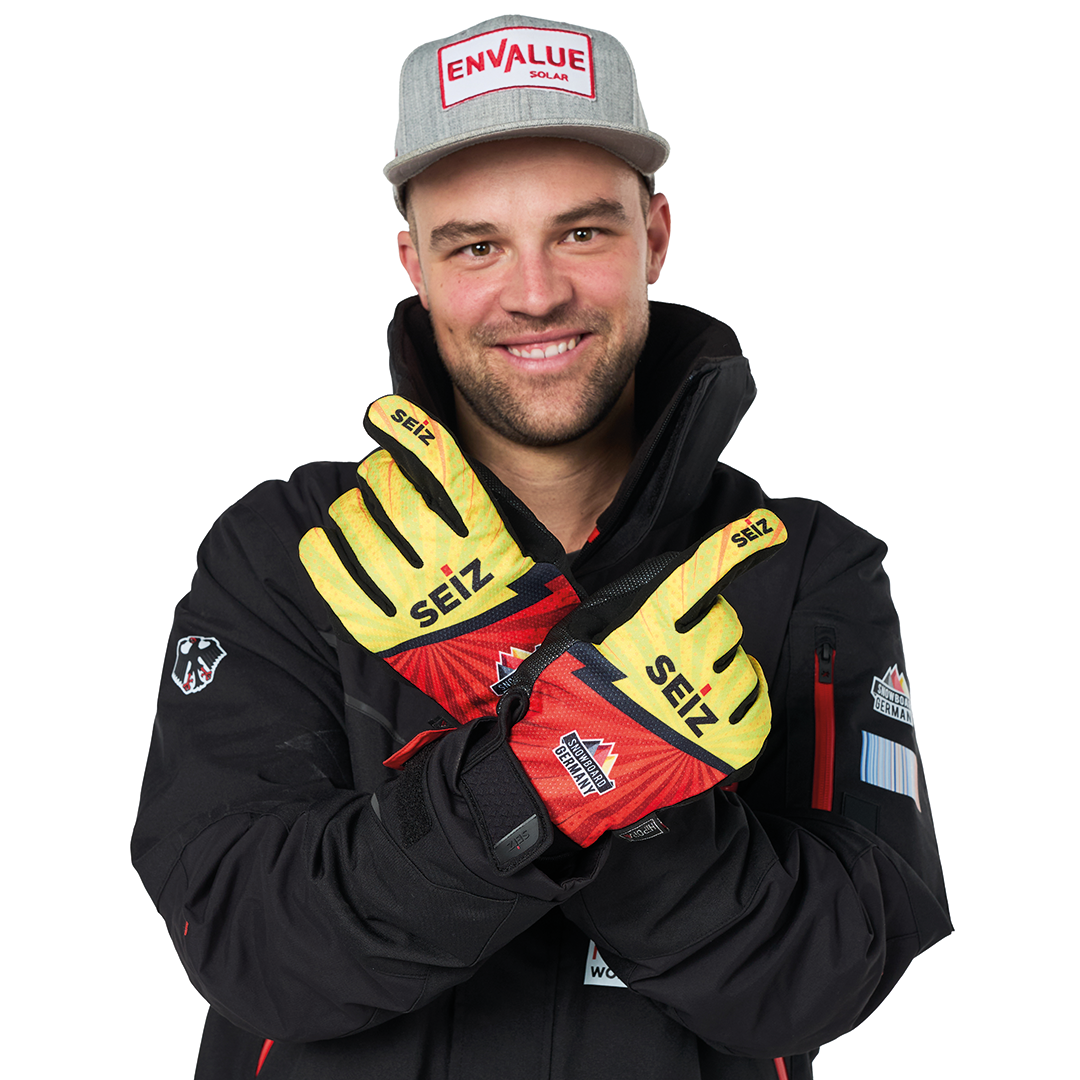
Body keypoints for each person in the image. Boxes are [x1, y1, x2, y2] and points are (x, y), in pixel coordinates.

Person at [132, 14, 951, 1080]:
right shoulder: (291, 551)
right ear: (415, 265)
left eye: (582, 233)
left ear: (655, 235)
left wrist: (595, 765)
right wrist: (550, 761)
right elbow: (251, 940)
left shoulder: (797, 568)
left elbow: (827, 973)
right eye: (477, 245)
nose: (535, 294)